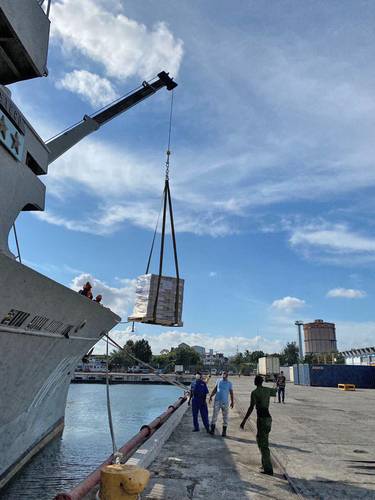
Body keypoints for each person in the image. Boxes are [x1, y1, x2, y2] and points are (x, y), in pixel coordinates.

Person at [240, 375, 277, 475]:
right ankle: (265, 463)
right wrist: (276, 380)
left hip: (262, 419)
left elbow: (251, 407)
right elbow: (275, 391)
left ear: (256, 382)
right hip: (268, 419)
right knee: (260, 440)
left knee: (263, 444)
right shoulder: (267, 390)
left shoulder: (255, 393)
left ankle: (268, 469)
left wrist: (244, 421)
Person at [209, 370, 234, 437]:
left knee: (225, 417)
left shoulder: (229, 383)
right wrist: (211, 396)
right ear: (221, 374)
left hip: (225, 402)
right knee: (214, 416)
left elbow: (231, 393)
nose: (224, 375)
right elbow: (215, 389)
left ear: (227, 375)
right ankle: (212, 430)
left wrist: (232, 402)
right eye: (223, 373)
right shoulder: (218, 381)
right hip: (217, 401)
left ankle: (224, 431)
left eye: (225, 374)